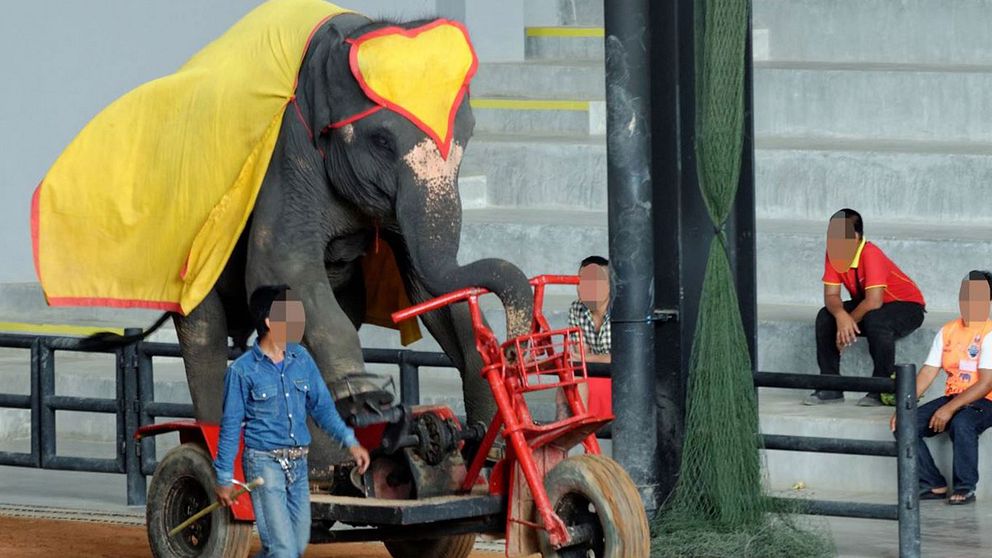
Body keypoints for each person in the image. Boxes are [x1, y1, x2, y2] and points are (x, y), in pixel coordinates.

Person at [214, 285, 370, 557]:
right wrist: (224, 477)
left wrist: (350, 442)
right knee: (284, 549)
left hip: (298, 464)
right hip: (264, 465)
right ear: (269, 321)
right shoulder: (241, 372)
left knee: (295, 546)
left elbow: (322, 408)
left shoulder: (302, 360)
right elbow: (230, 427)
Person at [805, 209, 926, 406]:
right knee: (825, 315)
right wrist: (840, 316)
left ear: (856, 237)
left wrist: (847, 322)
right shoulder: (833, 254)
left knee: (875, 320)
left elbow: (874, 302)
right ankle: (830, 385)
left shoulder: (870, 253)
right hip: (870, 303)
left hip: (907, 307)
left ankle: (881, 386)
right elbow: (831, 295)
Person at [890, 271, 992, 505]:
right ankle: (933, 484)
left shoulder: (989, 333)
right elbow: (927, 372)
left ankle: (965, 487)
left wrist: (950, 409)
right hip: (955, 395)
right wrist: (904, 406)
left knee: (962, 422)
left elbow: (986, 383)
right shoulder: (948, 330)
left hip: (986, 400)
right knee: (906, 424)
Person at [566, 256, 612, 420]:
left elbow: (624, 359)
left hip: (621, 376)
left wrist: (590, 358)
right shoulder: (577, 308)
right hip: (593, 373)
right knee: (571, 380)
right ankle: (585, 440)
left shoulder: (623, 309)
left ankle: (585, 438)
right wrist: (603, 358)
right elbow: (579, 357)